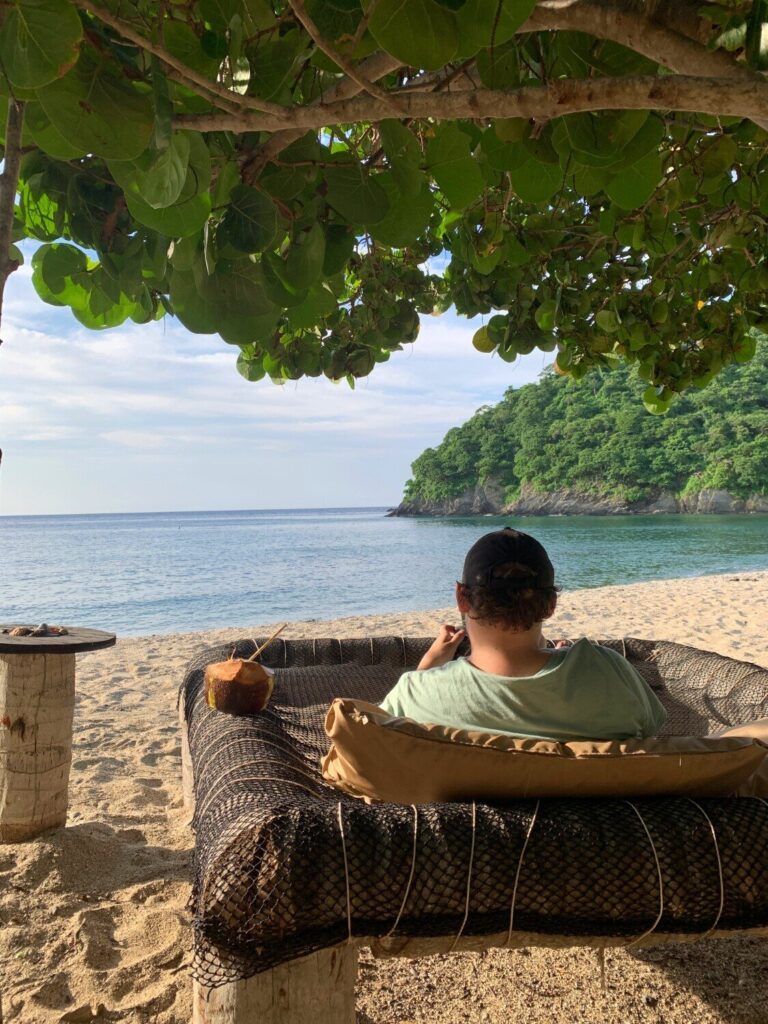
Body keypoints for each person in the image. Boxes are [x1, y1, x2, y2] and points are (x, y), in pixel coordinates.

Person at [379, 527, 667, 741]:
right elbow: (651, 730)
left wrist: (428, 666)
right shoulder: (609, 672)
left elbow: (379, 731)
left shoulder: (415, 695)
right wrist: (557, 659)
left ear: (461, 599)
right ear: (551, 604)